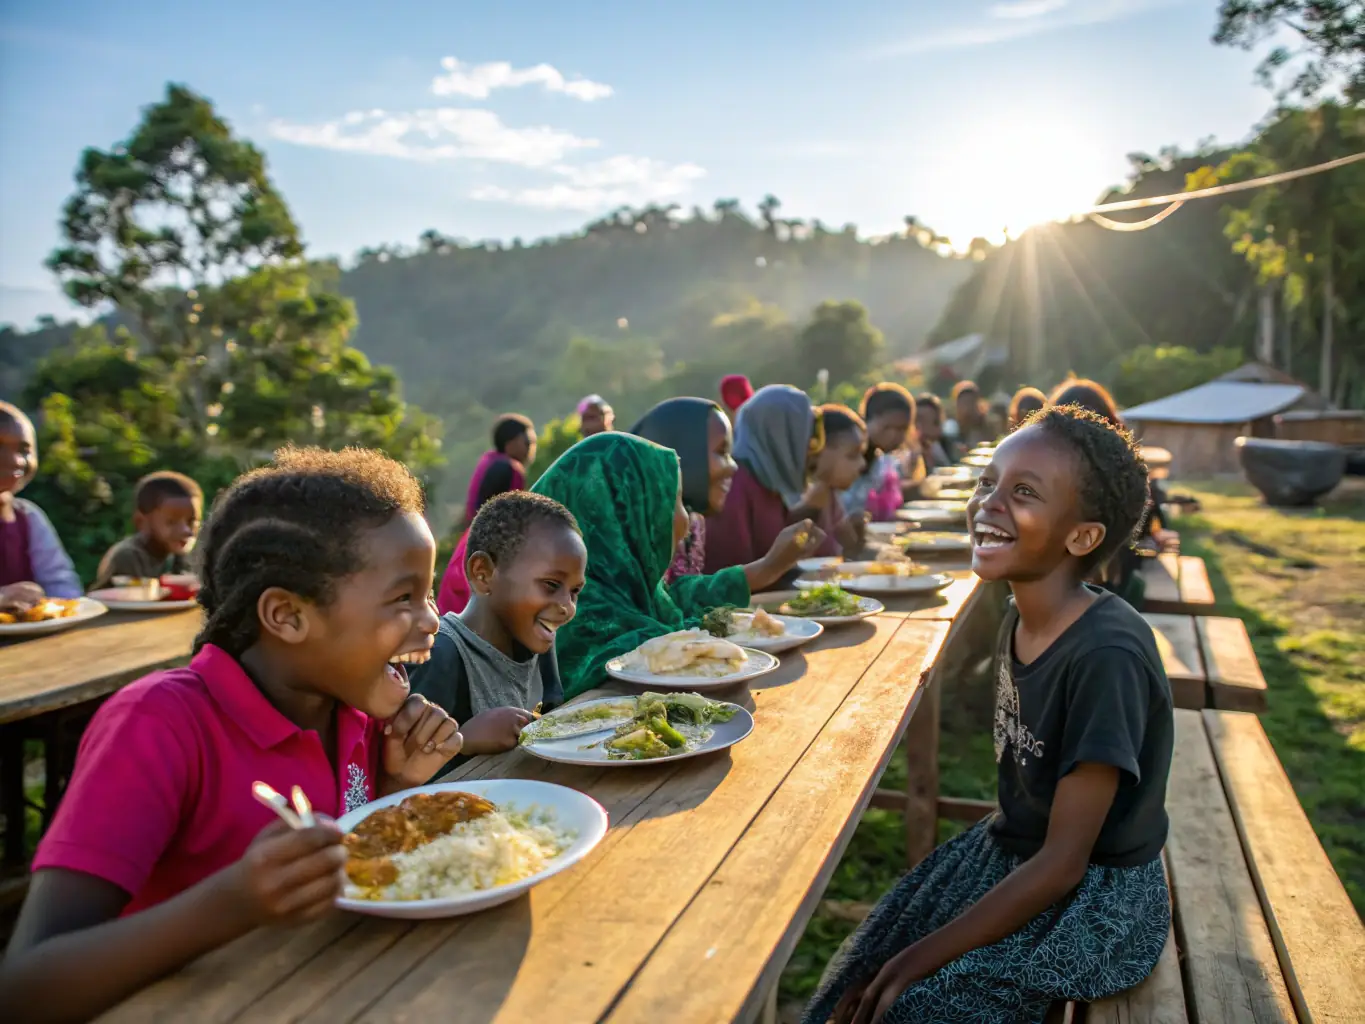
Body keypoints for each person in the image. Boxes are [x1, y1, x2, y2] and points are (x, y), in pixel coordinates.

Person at [0, 445, 462, 1021]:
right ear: (287, 616)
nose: (432, 619)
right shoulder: (157, 725)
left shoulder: (354, 715)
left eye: (427, 593)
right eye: (403, 598)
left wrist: (395, 782)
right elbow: (23, 987)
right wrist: (232, 903)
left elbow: (352, 881)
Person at [807, 406, 1172, 1024]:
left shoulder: (1105, 657)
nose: (988, 504)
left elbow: (1065, 862)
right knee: (856, 977)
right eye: (988, 483)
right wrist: (903, 956)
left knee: (912, 1004)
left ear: (1081, 536)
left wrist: (918, 960)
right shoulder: (1019, 614)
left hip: (1097, 897)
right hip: (1013, 851)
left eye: (1023, 493)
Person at [531, 432, 754, 699]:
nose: (685, 518)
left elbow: (680, 597)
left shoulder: (634, 600)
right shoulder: (575, 624)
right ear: (629, 516)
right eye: (675, 500)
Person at [410, 491, 585, 763]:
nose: (567, 606)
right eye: (551, 585)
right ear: (483, 574)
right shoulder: (441, 655)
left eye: (574, 591)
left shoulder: (536, 641)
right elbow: (400, 777)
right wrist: (463, 741)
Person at [631, 397, 822, 588]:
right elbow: (668, 603)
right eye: (721, 452)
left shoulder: (695, 521)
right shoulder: (638, 534)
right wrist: (768, 567)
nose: (733, 466)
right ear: (685, 453)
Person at [703, 384, 841, 575]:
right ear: (778, 435)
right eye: (804, 438)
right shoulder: (733, 486)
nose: (812, 451)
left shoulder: (769, 481)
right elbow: (731, 575)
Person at [436, 414, 536, 615]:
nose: (531, 448)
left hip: (468, 544)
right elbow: (511, 521)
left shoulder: (488, 460)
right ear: (511, 442)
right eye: (528, 442)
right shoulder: (512, 468)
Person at [0, 401, 81, 612]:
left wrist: (63, 609)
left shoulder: (28, 517)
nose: (16, 461)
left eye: (24, 450)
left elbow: (60, 581)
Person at [91, 472, 203, 591]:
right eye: (172, 522)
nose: (186, 531)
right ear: (141, 522)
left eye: (192, 521)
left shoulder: (178, 553)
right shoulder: (128, 556)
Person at [842, 384, 915, 522]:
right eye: (887, 427)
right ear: (867, 420)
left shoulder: (882, 461)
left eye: (902, 429)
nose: (894, 435)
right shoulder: (849, 459)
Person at [811, 405, 868, 554]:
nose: (862, 464)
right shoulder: (804, 503)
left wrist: (857, 536)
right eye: (852, 455)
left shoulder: (831, 496)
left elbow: (850, 551)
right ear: (818, 452)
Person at [950, 380, 994, 451]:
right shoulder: (951, 429)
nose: (967, 408)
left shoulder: (989, 426)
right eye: (964, 403)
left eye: (970, 402)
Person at [914, 392, 951, 473]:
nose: (923, 428)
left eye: (928, 421)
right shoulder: (906, 455)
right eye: (918, 420)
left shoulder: (942, 447)